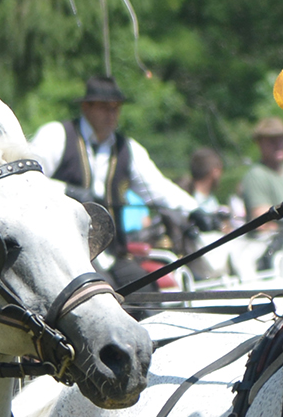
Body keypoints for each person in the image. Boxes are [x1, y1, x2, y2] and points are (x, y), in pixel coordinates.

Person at [27, 76, 209, 283]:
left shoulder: (127, 148)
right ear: (86, 107)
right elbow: (26, 181)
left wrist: (194, 210)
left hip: (112, 255)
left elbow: (157, 188)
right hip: (65, 252)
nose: (111, 114)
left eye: (116, 108)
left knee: (145, 288)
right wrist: (68, 190)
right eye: (104, 107)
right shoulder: (56, 135)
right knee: (103, 288)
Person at [237, 117, 283, 219]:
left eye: (282, 139)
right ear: (259, 144)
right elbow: (263, 221)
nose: (278, 145)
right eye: (272, 141)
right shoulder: (256, 175)